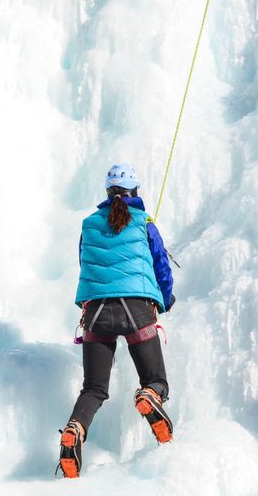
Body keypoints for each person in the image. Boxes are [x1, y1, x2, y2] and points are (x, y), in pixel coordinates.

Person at [58, 163, 176, 479]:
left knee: (94, 389)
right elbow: (161, 265)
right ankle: (150, 396)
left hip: (96, 313)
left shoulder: (88, 224)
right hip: (136, 310)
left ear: (108, 193)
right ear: (134, 191)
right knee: (156, 380)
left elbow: (86, 262)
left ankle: (75, 430)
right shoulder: (144, 222)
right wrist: (166, 300)